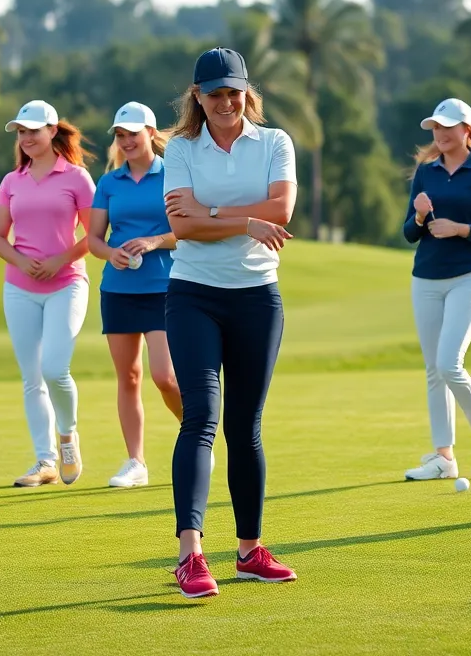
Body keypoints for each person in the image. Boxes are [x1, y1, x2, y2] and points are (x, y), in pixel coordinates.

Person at [162, 47, 298, 599]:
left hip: (257, 298)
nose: (225, 102)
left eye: (233, 92)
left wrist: (210, 213)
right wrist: (244, 221)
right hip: (193, 295)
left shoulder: (275, 142)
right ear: (197, 96)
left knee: (246, 427)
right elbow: (182, 227)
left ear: (247, 93)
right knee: (200, 418)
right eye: (214, 93)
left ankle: (248, 552)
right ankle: (190, 555)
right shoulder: (180, 148)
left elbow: (281, 211)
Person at [0, 100, 96, 488]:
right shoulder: (12, 181)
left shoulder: (77, 178)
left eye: (33, 130)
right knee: (32, 378)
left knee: (54, 369)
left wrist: (59, 260)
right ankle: (45, 460)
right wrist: (22, 261)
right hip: (19, 288)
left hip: (67, 284)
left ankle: (67, 437)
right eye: (21, 132)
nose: (26, 137)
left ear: (52, 131)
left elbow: (95, 235)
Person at [402, 98, 471, 483]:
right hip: (426, 278)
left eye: (448, 127)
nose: (441, 133)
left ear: (466, 130)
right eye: (436, 127)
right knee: (435, 370)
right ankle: (444, 457)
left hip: (469, 276)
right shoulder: (425, 172)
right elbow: (409, 233)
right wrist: (419, 215)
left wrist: (461, 229)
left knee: (450, 363)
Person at [86, 101, 186, 488]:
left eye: (133, 134)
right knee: (128, 377)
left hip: (164, 288)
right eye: (120, 135)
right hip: (118, 289)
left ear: (150, 133)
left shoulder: (173, 175)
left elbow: (187, 231)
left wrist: (154, 241)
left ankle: (196, 435)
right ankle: (136, 462)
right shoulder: (109, 183)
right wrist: (111, 253)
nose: (126, 141)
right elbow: (94, 240)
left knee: (165, 376)